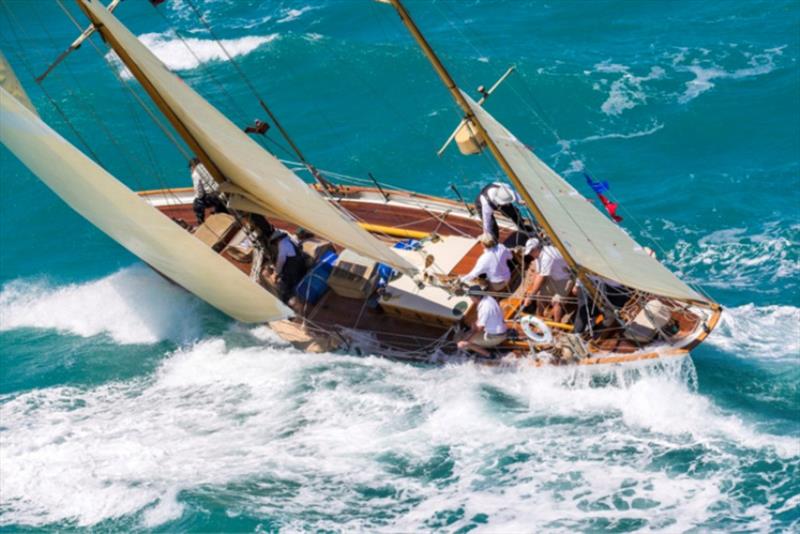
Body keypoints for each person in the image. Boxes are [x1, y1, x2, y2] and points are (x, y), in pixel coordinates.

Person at [521, 237, 572, 323]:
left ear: (536, 248)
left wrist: (531, 296)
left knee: (556, 302)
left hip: (565, 278)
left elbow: (542, 277)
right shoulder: (538, 256)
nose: (530, 254)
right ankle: (539, 318)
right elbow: (538, 273)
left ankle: (556, 326)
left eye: (531, 251)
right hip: (552, 277)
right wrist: (532, 292)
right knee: (540, 296)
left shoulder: (546, 257)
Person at [457, 283, 508, 357]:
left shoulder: (484, 308)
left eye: (471, 297)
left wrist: (465, 341)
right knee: (469, 334)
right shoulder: (488, 298)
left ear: (476, 297)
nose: (470, 299)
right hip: (500, 331)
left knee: (464, 341)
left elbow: (479, 329)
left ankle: (490, 355)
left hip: (496, 337)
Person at [268, 229, 307, 303]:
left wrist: (275, 273)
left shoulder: (282, 245)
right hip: (301, 264)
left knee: (285, 287)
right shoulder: (290, 240)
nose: (276, 244)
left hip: (294, 269)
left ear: (278, 239)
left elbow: (281, 260)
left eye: (275, 242)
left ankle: (288, 302)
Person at [190, 158, 227, 224]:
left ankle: (201, 222)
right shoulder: (209, 166)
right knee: (219, 203)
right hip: (223, 192)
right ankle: (222, 213)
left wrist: (198, 197)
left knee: (197, 202)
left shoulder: (196, 173)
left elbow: (199, 193)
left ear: (192, 166)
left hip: (214, 196)